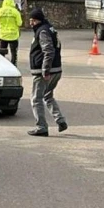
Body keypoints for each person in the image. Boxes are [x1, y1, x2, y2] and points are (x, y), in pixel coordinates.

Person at [28, 8, 68, 137]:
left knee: (36, 99)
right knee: (48, 96)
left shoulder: (43, 31)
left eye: (33, 20)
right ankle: (60, 120)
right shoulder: (50, 28)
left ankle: (41, 127)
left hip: (45, 72)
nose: (31, 23)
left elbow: (48, 50)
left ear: (38, 20)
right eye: (30, 20)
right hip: (56, 70)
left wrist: (45, 70)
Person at [0, 0, 23, 65]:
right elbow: (19, 23)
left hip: (3, 35)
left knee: (2, 51)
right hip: (13, 35)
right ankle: (13, 64)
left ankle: (2, 64)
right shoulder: (15, 12)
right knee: (13, 52)